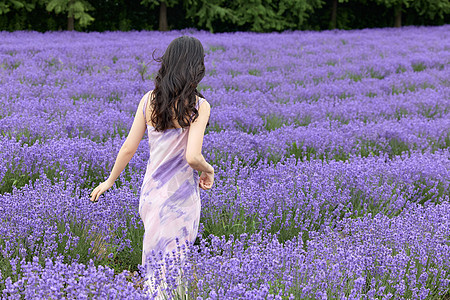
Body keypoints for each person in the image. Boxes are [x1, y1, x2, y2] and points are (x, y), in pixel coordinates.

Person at [89, 36, 214, 299]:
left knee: (154, 267)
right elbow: (193, 156)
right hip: (180, 198)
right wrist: (209, 169)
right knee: (173, 271)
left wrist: (109, 181)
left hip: (152, 195)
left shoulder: (149, 101)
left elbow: (128, 148)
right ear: (196, 67)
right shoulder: (199, 107)